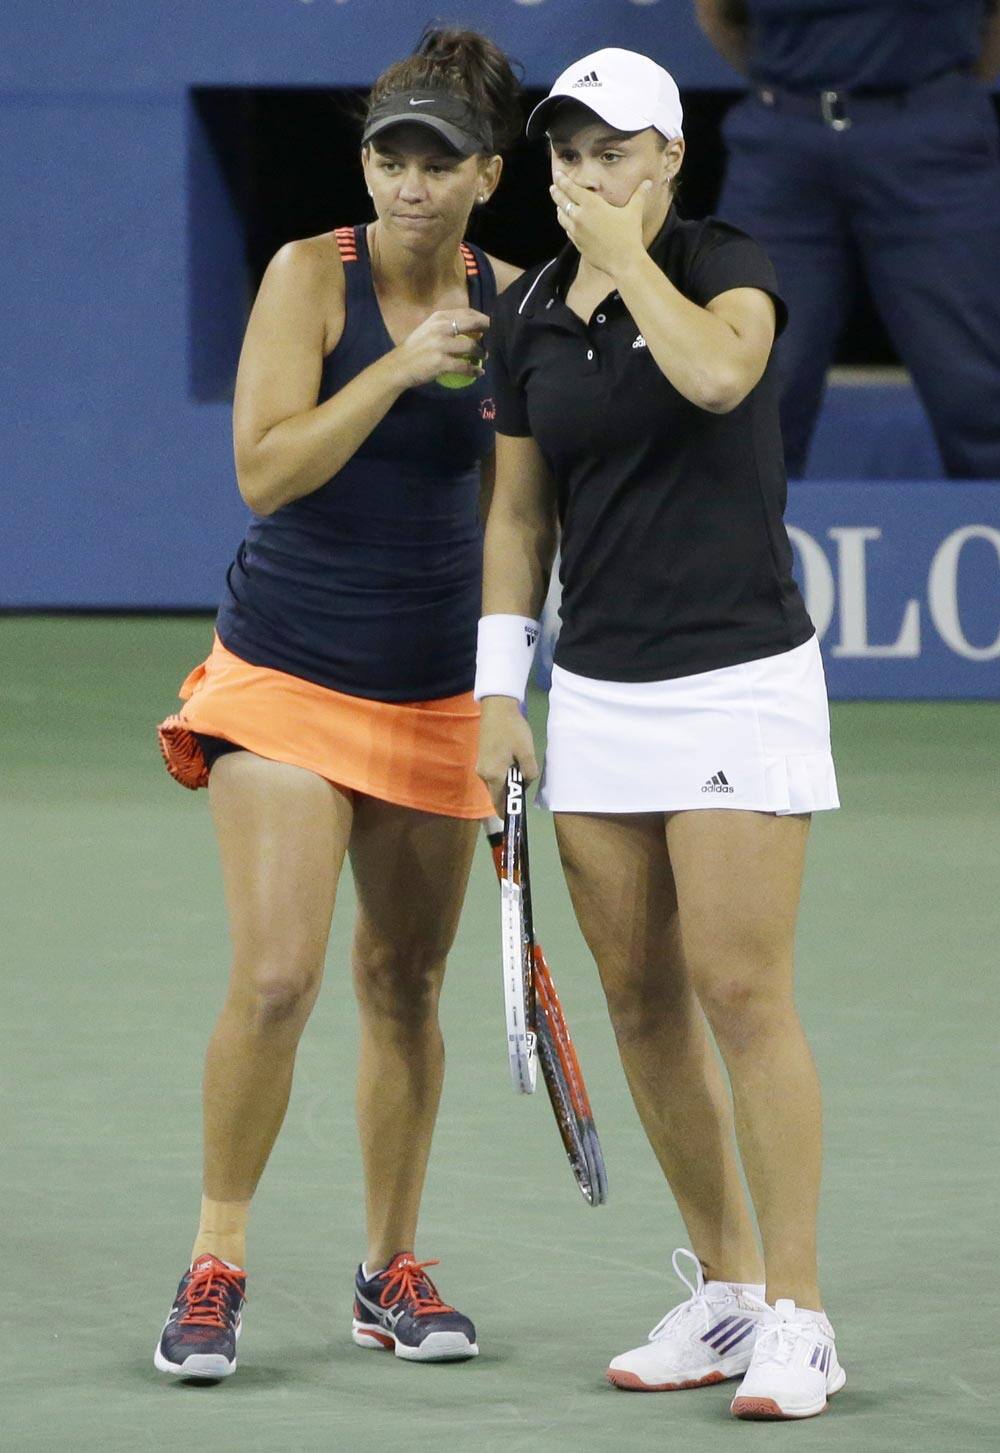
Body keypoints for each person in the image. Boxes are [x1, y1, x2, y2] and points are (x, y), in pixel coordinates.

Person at [476, 47, 845, 1422]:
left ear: (669, 158)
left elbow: (717, 380)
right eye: (568, 156)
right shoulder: (526, 320)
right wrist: (497, 689)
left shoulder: (724, 257)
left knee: (743, 996)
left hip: (739, 678)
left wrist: (628, 262)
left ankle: (805, 1317)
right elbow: (519, 519)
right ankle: (733, 1292)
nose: (587, 178)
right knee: (640, 1001)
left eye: (613, 153)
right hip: (607, 697)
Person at [152, 27, 522, 1379]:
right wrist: (399, 359)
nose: (408, 182)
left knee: (405, 982)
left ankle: (389, 1269)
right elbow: (265, 470)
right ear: (367, 164)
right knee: (277, 975)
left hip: (433, 691)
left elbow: (514, 518)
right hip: (290, 673)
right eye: (388, 155)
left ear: (486, 174)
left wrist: (504, 687)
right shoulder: (313, 275)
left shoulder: (517, 300)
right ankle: (216, 1260)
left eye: (436, 160)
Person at [695, 0, 1000, 478]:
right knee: (750, 391)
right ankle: (731, 551)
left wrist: (928, 98)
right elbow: (720, 12)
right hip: (783, 145)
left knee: (979, 391)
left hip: (933, 139)